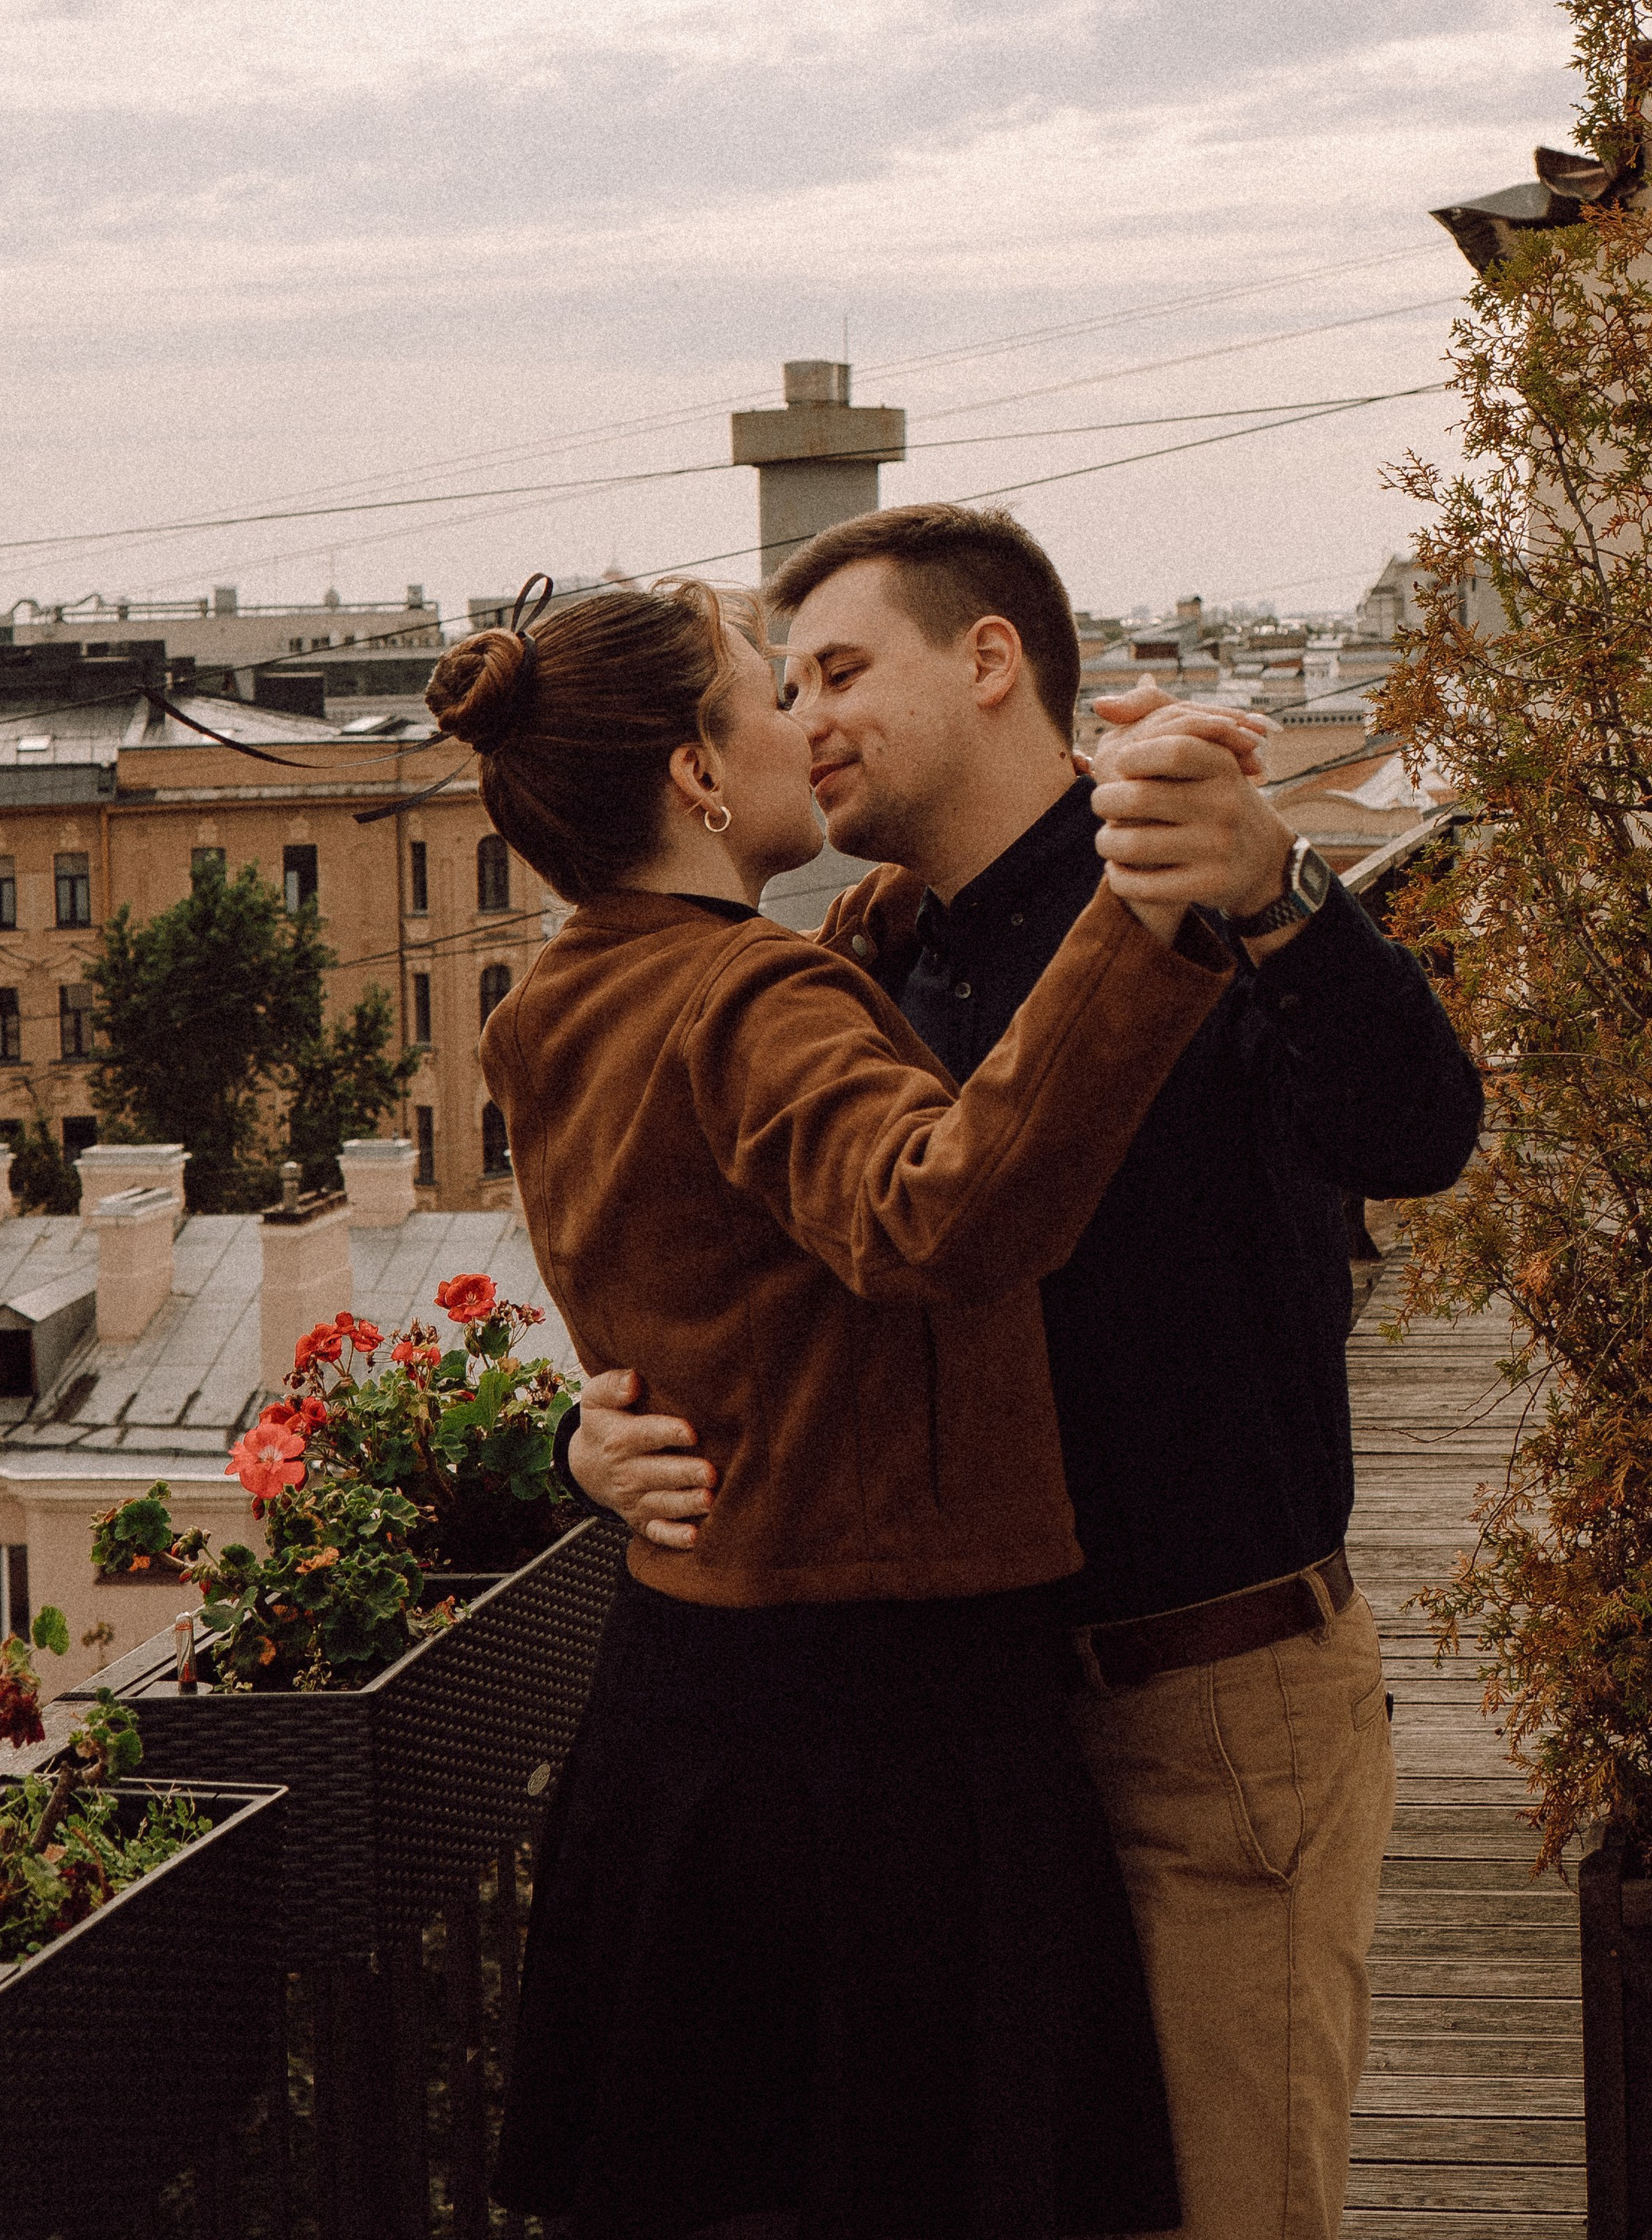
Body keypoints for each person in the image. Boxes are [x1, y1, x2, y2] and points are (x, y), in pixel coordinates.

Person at [568, 506, 1485, 2240]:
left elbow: (1416, 1132)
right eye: (786, 685)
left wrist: (1287, 892)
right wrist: (584, 1439)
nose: (805, 716)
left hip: (1209, 1711)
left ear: (989, 660)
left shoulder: (1179, 872)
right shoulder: (880, 953)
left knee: (1232, 2208)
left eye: (840, 670)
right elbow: (745, 1284)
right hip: (966, 1741)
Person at [428, 571, 1241, 2240]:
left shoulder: (555, 1007)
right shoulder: (752, 1002)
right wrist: (1137, 914)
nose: (803, 721)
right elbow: (939, 1212)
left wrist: (854, 938)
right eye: (762, 695)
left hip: (685, 1712)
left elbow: (721, 1251)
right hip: (884, 1732)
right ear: (697, 777)